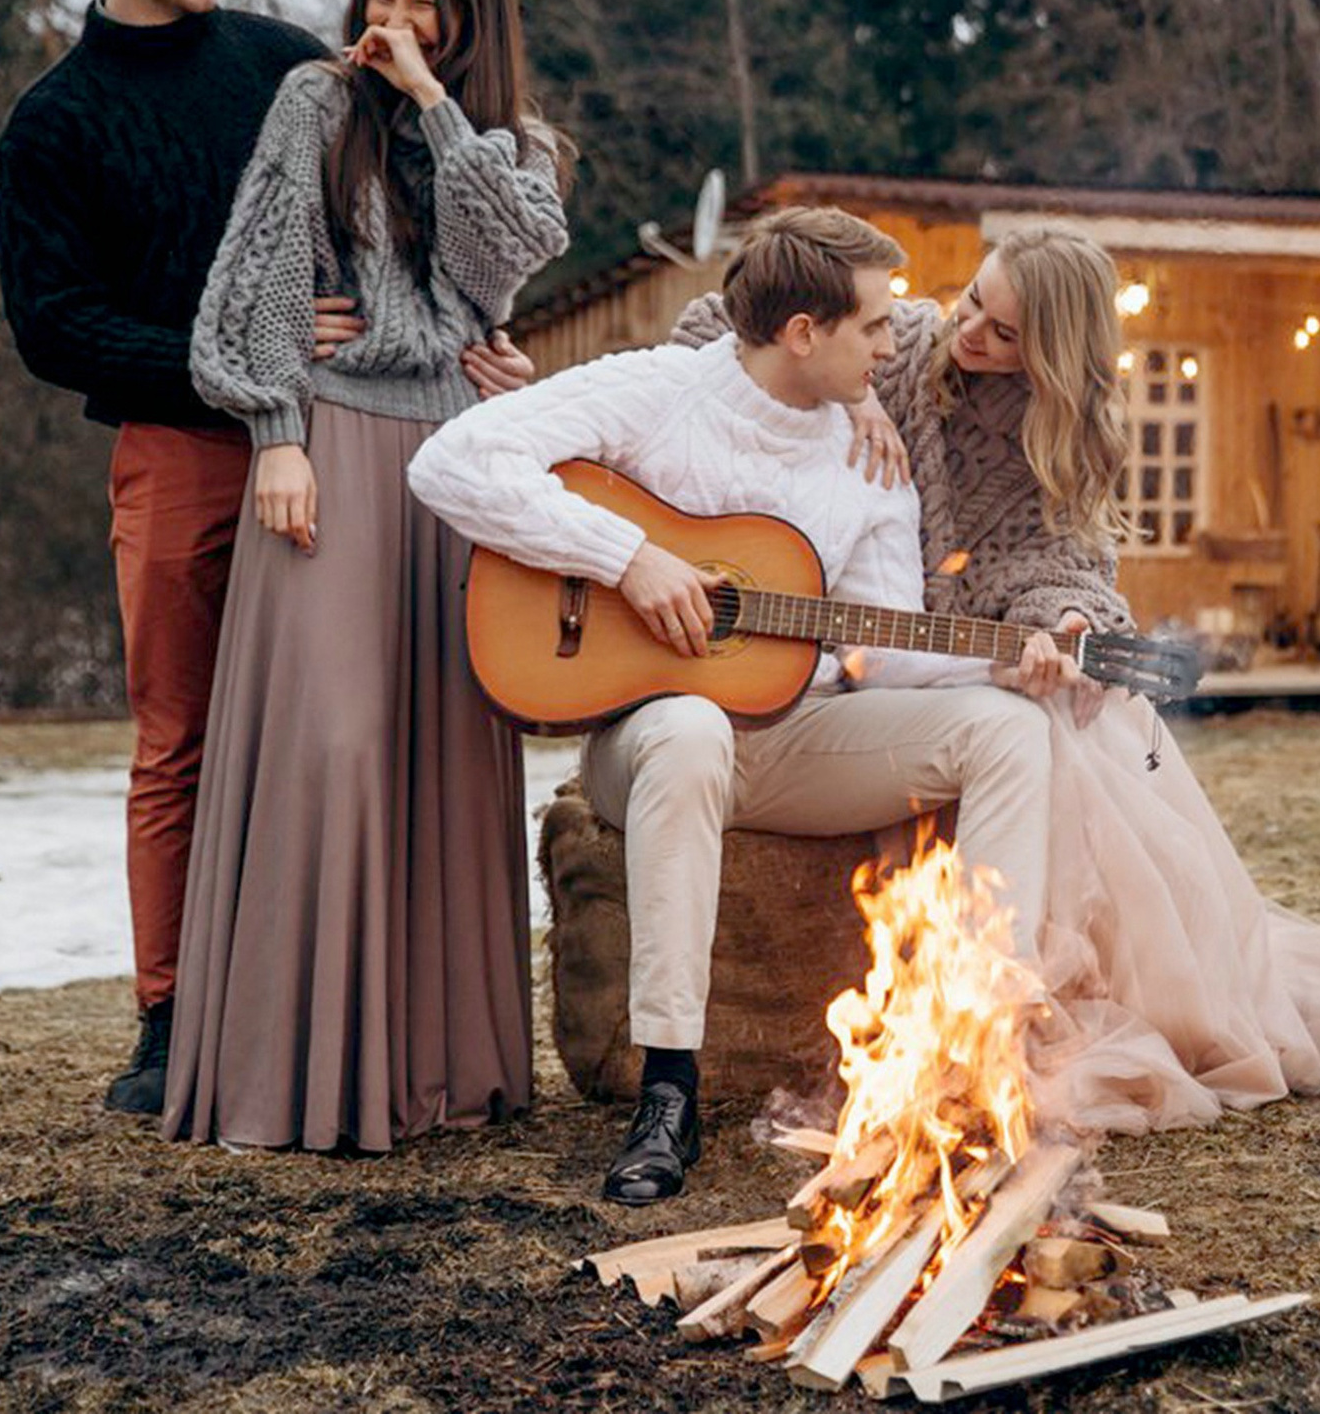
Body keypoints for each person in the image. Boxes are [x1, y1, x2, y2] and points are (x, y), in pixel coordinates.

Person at [674, 226, 1320, 1133]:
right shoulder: (888, 342)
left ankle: (1012, 1014)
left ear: (1054, 355)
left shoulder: (1065, 433)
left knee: (1072, 730)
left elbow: (1061, 563)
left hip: (943, 650)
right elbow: (715, 320)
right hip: (839, 641)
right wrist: (834, 395)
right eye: (973, 300)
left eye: (1004, 331)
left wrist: (1064, 625)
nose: (969, 330)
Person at [408, 207, 1056, 1204]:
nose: (896, 345)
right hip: (648, 737)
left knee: (1008, 729)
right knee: (691, 724)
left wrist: (1004, 663)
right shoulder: (654, 390)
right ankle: (666, 1088)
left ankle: (974, 1057)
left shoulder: (866, 459)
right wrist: (629, 558)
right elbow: (449, 462)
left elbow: (880, 648)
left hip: (795, 738)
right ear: (804, 333)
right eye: (876, 325)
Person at [158, 0, 569, 1152]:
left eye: (422, 3)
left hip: (453, 460)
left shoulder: (511, 143)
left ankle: (440, 1075)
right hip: (328, 441)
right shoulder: (309, 105)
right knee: (335, 742)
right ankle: (293, 1078)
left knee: (444, 749)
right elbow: (251, 288)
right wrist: (274, 431)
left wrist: (437, 106)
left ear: (469, 19)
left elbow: (505, 264)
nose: (390, 22)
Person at [0, 0, 333, 1115]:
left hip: (333, 439)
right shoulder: (54, 123)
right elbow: (52, 325)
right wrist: (232, 364)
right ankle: (168, 1016)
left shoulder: (281, 65)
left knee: (322, 724)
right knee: (178, 740)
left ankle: (312, 989)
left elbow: (380, 214)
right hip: (178, 452)